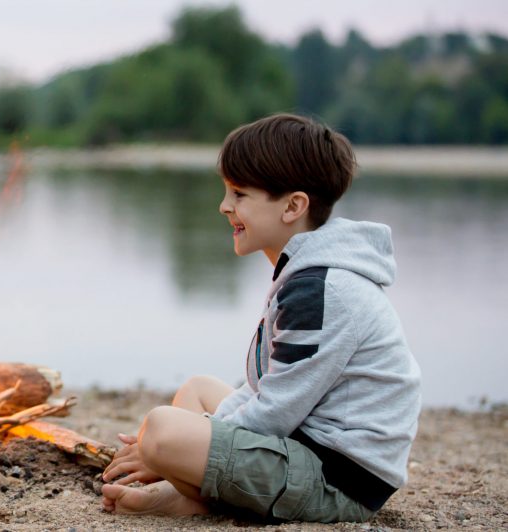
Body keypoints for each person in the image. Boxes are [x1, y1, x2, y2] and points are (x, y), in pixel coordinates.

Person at [100, 114, 421, 523]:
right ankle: (192, 498)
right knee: (196, 391)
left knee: (162, 430)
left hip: (338, 480)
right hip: (306, 446)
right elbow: (262, 391)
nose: (224, 206)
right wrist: (198, 438)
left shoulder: (322, 289)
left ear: (293, 206)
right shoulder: (305, 274)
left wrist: (166, 454)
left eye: (239, 194)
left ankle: (192, 490)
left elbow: (274, 413)